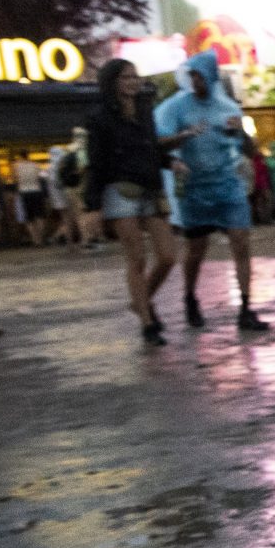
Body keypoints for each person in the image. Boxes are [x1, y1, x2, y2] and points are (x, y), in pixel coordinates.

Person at [155, 50, 268, 331]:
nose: (196, 81)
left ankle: (245, 307)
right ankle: (190, 297)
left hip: (228, 185)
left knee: (241, 241)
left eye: (201, 76)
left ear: (211, 77)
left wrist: (241, 132)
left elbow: (250, 150)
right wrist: (184, 135)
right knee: (196, 249)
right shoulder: (177, 107)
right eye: (192, 75)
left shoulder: (227, 108)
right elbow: (159, 144)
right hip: (194, 188)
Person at [83, 58, 181, 346]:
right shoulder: (100, 117)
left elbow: (151, 148)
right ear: (112, 81)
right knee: (136, 257)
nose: (133, 81)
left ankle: (141, 301)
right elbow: (96, 161)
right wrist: (93, 204)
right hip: (118, 189)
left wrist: (170, 162)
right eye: (127, 77)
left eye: (135, 76)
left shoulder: (144, 111)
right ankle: (148, 323)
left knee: (167, 256)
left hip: (150, 188)